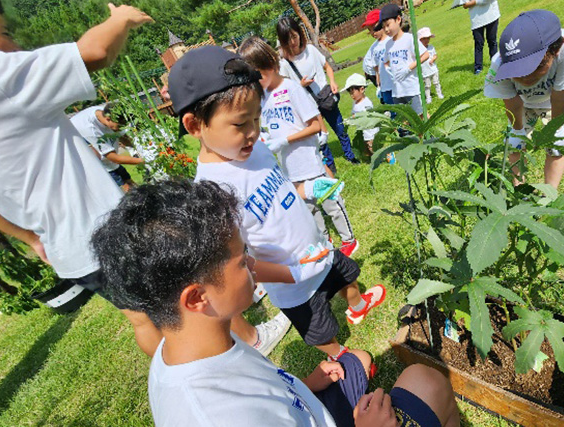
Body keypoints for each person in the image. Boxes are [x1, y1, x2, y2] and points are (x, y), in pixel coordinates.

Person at [0, 2, 288, 359]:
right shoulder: (1, 77)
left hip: (67, 249)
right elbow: (95, 52)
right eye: (6, 35)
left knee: (144, 317)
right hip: (106, 223)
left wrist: (30, 238)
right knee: (195, 281)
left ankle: (185, 369)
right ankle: (252, 341)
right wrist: (120, 19)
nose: (15, 48)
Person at [91, 179, 460, 427]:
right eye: (241, 258)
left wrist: (305, 385)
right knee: (426, 381)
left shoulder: (196, 340)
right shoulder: (218, 416)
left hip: (311, 409)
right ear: (197, 297)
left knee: (356, 360)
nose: (253, 265)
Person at [168, 45, 386, 360]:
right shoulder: (213, 195)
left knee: (346, 276)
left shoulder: (252, 148)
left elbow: (279, 189)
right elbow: (241, 263)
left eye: (257, 119)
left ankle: (357, 305)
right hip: (291, 282)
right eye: (240, 124)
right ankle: (341, 356)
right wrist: (293, 273)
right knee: (320, 328)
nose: (253, 132)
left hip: (317, 248)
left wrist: (307, 190)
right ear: (195, 126)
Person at [238, 37, 359, 257]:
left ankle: (349, 239)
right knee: (309, 208)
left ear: (272, 65)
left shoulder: (291, 88)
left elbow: (314, 125)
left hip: (309, 160)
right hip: (289, 167)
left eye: (259, 76)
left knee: (330, 201)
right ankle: (324, 241)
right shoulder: (263, 98)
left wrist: (286, 140)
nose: (257, 83)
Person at [484, 10, 564, 189]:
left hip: (554, 97)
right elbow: (512, 102)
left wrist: (556, 127)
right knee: (514, 144)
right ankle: (519, 191)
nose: (524, 78)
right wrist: (518, 131)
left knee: (557, 144)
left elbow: (561, 93)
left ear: (556, 49)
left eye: (535, 67)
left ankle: (548, 196)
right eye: (516, 71)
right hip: (523, 102)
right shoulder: (498, 65)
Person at [277, 17, 360, 173]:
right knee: (321, 137)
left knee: (340, 129)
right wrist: (300, 85)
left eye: (294, 36)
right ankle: (330, 166)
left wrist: (333, 81)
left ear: (300, 34)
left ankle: (350, 155)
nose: (293, 42)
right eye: (288, 40)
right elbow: (286, 88)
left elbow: (327, 66)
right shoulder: (285, 63)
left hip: (326, 98)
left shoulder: (311, 50)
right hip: (308, 106)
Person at [70, 103, 143, 192]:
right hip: (93, 163)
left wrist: (140, 149)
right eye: (119, 126)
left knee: (129, 181)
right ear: (108, 119)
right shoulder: (91, 129)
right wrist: (143, 160)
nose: (121, 128)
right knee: (124, 189)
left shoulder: (108, 113)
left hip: (110, 162)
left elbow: (123, 137)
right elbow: (115, 158)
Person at [379, 4, 430, 116]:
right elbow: (386, 61)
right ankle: (416, 134)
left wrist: (408, 68)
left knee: (420, 115)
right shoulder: (388, 44)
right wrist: (389, 70)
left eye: (388, 25)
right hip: (397, 90)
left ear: (398, 19)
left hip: (411, 87)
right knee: (405, 119)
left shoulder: (409, 39)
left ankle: (432, 133)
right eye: (383, 27)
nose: (386, 30)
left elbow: (425, 55)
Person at [342, 73, 378, 156]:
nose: (351, 96)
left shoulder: (366, 103)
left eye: (353, 93)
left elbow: (367, 116)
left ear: (361, 89)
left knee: (373, 147)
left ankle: (387, 155)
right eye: (350, 93)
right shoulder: (355, 103)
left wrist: (354, 118)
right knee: (366, 148)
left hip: (371, 131)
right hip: (363, 131)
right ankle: (370, 157)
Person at [460, 0, 500, 75]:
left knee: (492, 41)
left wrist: (474, 2)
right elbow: (465, 5)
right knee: (478, 43)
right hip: (477, 20)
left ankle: (496, 64)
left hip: (491, 16)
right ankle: (478, 67)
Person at [417, 27, 444, 104]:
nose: (427, 41)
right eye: (424, 39)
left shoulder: (431, 47)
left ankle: (439, 93)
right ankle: (428, 97)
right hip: (425, 71)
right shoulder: (419, 50)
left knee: (436, 82)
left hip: (433, 69)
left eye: (428, 38)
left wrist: (433, 59)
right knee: (427, 85)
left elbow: (435, 55)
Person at [361, 9, 381, 88]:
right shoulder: (376, 47)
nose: (372, 32)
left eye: (374, 28)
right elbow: (377, 67)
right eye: (370, 30)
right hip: (371, 70)